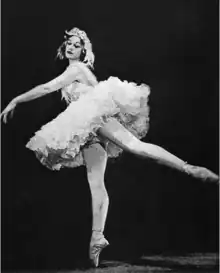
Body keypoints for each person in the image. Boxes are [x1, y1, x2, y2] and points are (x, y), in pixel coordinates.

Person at [1, 27, 218, 268]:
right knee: (96, 183)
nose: (71, 47)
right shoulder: (72, 70)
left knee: (137, 147)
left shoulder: (77, 69)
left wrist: (15, 100)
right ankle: (97, 237)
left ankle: (189, 168)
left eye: (76, 44)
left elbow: (46, 88)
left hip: (97, 119)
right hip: (88, 132)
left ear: (83, 50)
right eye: (69, 44)